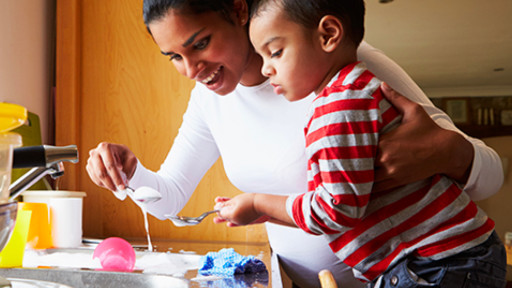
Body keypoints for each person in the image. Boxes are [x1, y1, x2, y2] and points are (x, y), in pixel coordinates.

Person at [85, 0, 504, 287]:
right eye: (174, 56)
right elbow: (170, 198)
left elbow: (491, 174)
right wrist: (128, 172)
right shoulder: (209, 100)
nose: (192, 69)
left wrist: (449, 151)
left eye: (199, 43)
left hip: (414, 274)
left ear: (237, 9)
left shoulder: (341, 71)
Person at [214, 0, 506, 287]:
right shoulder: (353, 90)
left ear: (328, 34)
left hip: (436, 263)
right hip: (447, 258)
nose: (266, 69)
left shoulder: (338, 107)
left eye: (275, 52)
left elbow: (337, 210)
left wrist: (257, 203)